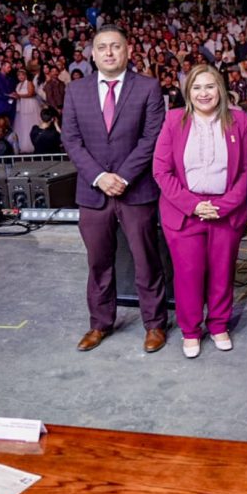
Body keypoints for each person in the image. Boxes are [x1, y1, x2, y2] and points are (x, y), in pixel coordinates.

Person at [62, 26, 169, 354]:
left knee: (146, 259)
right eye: (102, 47)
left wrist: (121, 176)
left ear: (128, 51)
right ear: (92, 54)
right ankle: (100, 323)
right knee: (99, 262)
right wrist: (99, 177)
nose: (109, 53)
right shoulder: (76, 91)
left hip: (135, 191)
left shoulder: (148, 87)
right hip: (93, 193)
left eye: (116, 47)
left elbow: (152, 138)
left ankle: (154, 324)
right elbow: (72, 139)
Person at [153, 65, 247, 359]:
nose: (203, 93)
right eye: (196, 88)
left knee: (222, 271)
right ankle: (191, 330)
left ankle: (219, 325)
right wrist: (193, 205)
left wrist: (224, 205)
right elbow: (161, 170)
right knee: (188, 274)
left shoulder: (239, 120)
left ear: (220, 89)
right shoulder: (173, 121)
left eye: (209, 86)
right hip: (184, 212)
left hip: (225, 209)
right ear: (188, 92)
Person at [14, 67, 42, 154]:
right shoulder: (18, 85)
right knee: (22, 124)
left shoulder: (29, 83)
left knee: (30, 122)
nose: (21, 77)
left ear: (26, 75)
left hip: (29, 104)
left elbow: (31, 93)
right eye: (19, 75)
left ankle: (32, 143)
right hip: (21, 105)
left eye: (22, 75)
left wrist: (20, 96)